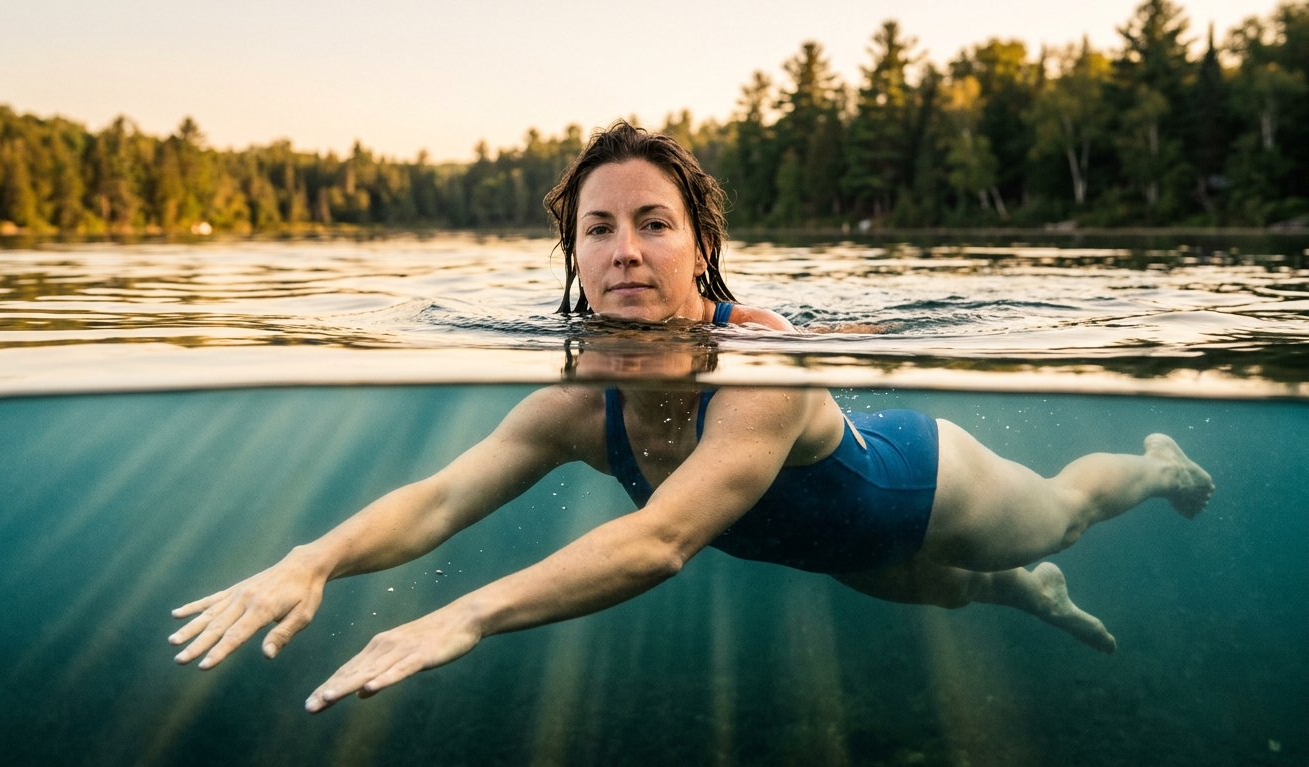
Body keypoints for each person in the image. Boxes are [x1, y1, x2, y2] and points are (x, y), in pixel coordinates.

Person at [169, 122, 1215, 714]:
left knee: (1059, 518)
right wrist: (310, 558)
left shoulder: (755, 364)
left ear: (698, 251)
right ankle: (1025, 596)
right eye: (599, 228)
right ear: (573, 259)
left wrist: (464, 614)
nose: (625, 247)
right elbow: (441, 497)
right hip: (826, 546)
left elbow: (665, 540)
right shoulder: (576, 404)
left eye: (652, 223)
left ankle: (1156, 466)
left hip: (920, 479)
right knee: (945, 600)